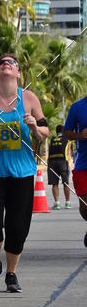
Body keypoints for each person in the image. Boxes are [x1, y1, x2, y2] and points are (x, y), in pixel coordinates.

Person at [0, 54, 49, 293]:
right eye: (2, 62)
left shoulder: (29, 99)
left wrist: (35, 126)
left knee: (17, 226)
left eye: (12, 63)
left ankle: (11, 273)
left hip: (22, 174)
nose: (7, 64)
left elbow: (45, 132)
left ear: (18, 73)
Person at [63, 95, 87, 247]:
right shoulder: (77, 107)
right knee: (85, 205)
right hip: (83, 164)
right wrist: (79, 135)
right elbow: (67, 132)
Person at [47, 124, 71, 209]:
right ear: (63, 131)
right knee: (66, 183)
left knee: (54, 183)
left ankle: (57, 203)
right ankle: (67, 203)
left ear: (56, 131)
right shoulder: (66, 139)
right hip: (63, 162)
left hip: (52, 162)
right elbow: (68, 152)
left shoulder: (52, 139)